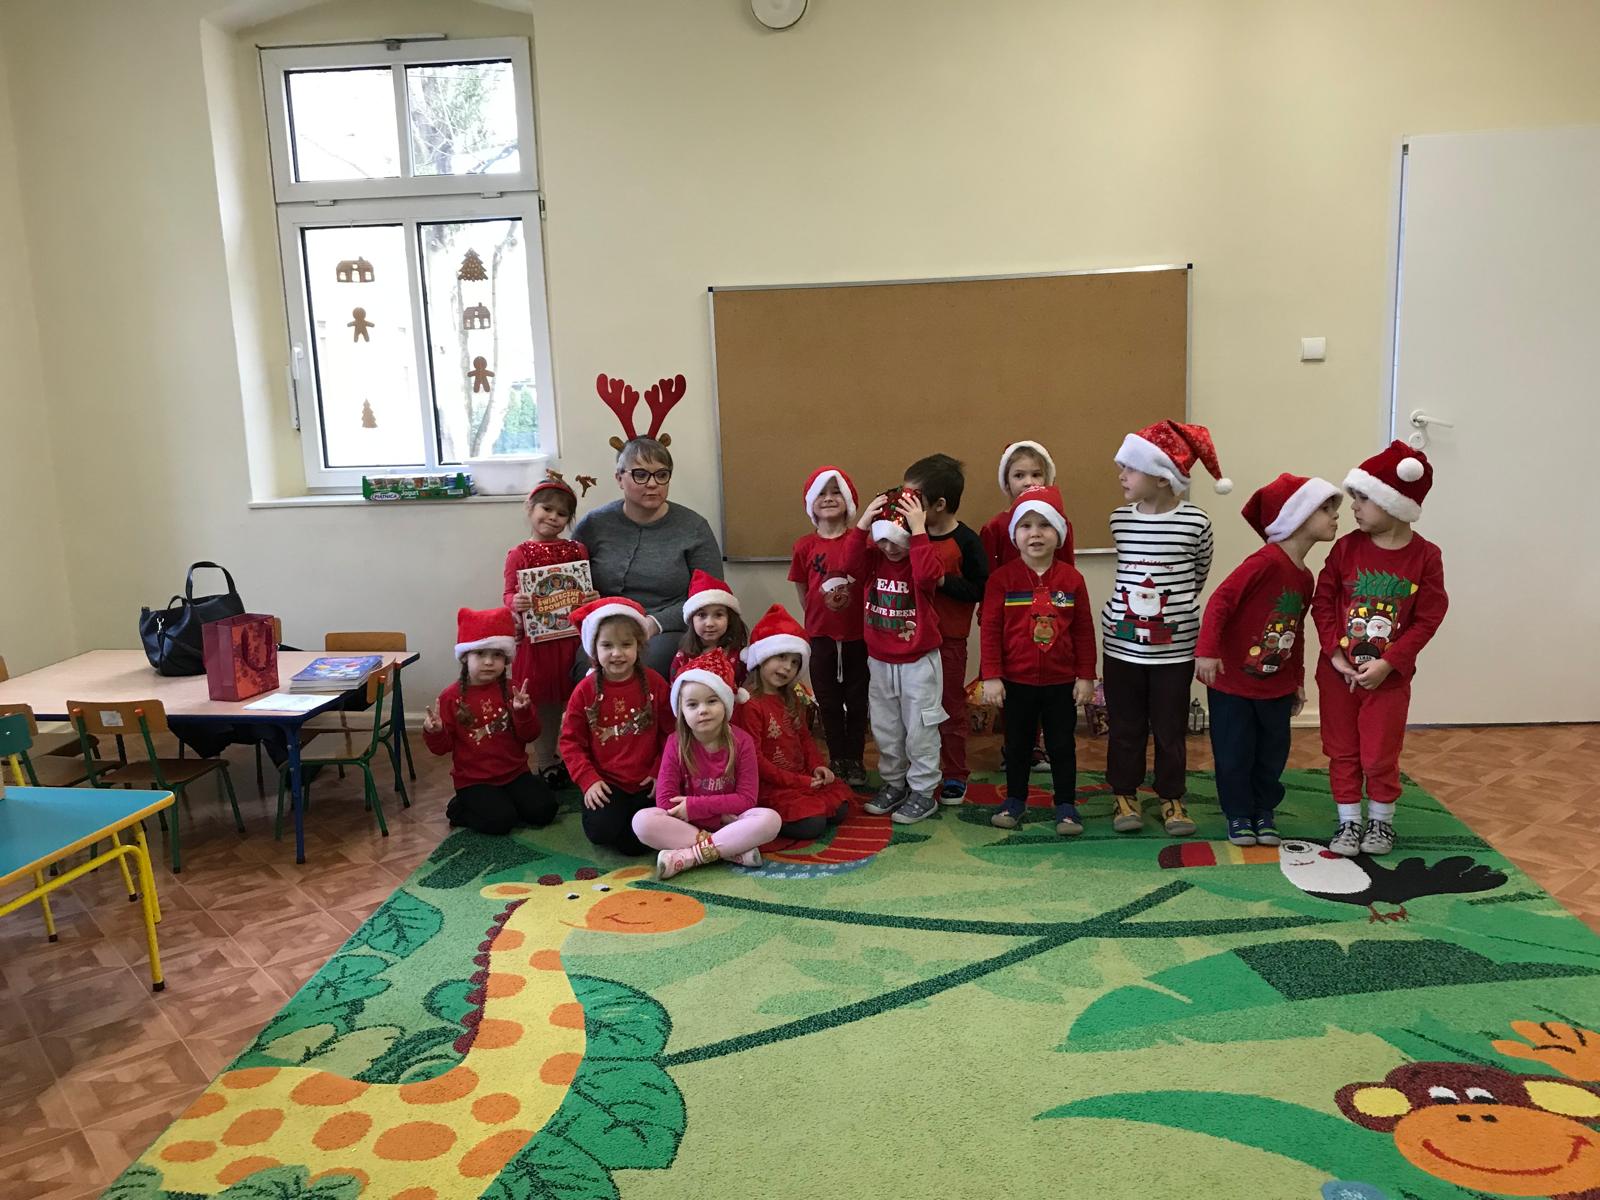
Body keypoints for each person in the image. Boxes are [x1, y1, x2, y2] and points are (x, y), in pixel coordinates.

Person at [1313, 441, 1448, 858]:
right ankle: (1348, 821)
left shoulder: (1426, 557)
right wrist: (1335, 655)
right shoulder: (1346, 548)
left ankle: (1381, 821)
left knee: (1379, 754)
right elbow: (1323, 601)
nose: (1354, 507)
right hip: (1338, 676)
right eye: (1354, 497)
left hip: (1387, 681)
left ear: (1394, 502)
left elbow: (1429, 616)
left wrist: (1390, 663)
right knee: (1342, 750)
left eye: (1364, 498)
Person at [1196, 474, 1341, 847]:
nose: (1335, 516)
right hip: (1233, 683)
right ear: (1298, 515)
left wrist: (1297, 680)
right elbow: (1220, 601)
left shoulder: (1304, 577)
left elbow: (1296, 631)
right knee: (1234, 752)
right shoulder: (1263, 562)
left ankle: (1263, 810)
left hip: (1275, 685)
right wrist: (1207, 651)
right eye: (1326, 508)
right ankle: (1238, 813)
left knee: (1272, 754)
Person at [1101, 420, 1231, 836]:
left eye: (1130, 468)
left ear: (1161, 477)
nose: (1121, 475)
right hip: (1122, 647)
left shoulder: (1196, 522)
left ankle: (1171, 797)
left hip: (1174, 652)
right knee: (1125, 726)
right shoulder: (1120, 521)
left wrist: (1172, 614)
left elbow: (1198, 575)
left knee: (1171, 728)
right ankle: (1124, 794)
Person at [979, 487, 1096, 835]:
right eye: (1026, 526)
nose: (1035, 533)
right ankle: (1015, 800)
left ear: (1058, 533)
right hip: (1016, 682)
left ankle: (1066, 805)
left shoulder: (1072, 580)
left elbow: (1084, 630)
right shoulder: (1001, 580)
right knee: (1017, 745)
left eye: (1044, 525)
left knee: (1062, 745)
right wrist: (992, 676)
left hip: (1062, 682)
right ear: (1014, 534)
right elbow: (990, 631)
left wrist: (1086, 675)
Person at [572, 436, 722, 677]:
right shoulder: (594, 524)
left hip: (667, 629)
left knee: (644, 665)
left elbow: (710, 598)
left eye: (661, 475)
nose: (652, 484)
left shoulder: (693, 527)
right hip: (605, 626)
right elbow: (567, 578)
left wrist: (655, 623)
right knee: (586, 664)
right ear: (619, 478)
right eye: (640, 475)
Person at [634, 649, 781, 880]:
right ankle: (731, 851)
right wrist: (716, 817)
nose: (703, 710)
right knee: (642, 822)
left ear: (725, 704)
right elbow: (665, 801)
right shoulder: (675, 742)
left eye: (712, 701)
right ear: (681, 711)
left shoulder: (742, 742)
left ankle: (689, 857)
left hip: (731, 822)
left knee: (770, 820)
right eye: (692, 705)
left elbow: (746, 799)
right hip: (700, 824)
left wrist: (695, 807)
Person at [846, 488, 945, 825]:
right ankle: (895, 783)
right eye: (883, 540)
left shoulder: (922, 558)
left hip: (918, 661)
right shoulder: (873, 560)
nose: (890, 548)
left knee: (920, 729)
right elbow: (848, 563)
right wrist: (863, 524)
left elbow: (928, 576)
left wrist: (917, 532)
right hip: (880, 660)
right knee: (886, 727)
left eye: (897, 540)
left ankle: (923, 791)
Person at [421, 607, 558, 835]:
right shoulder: (450, 697)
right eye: (480, 654)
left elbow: (531, 735)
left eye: (497, 655)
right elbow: (442, 749)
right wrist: (435, 732)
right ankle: (459, 808)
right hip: (474, 780)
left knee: (545, 810)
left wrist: (523, 712)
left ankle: (502, 802)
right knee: (500, 822)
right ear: (465, 657)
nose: (488, 662)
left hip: (515, 773)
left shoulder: (513, 690)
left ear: (506, 659)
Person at [558, 596, 672, 857]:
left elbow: (671, 733)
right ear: (594, 648)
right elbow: (571, 742)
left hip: (647, 781)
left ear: (639, 646)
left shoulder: (655, 684)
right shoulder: (584, 691)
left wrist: (659, 771)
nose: (617, 653)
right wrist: (588, 780)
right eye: (607, 645)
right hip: (607, 783)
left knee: (635, 845)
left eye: (626, 644)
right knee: (602, 831)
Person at [904, 454, 988, 804]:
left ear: (938, 504)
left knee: (950, 708)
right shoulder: (908, 536)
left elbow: (980, 588)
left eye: (915, 499)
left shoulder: (966, 541)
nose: (907, 506)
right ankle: (916, 770)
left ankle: (954, 773)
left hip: (949, 641)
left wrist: (942, 580)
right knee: (912, 710)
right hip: (911, 639)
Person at [734, 604, 854, 840]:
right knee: (812, 825)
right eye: (781, 657)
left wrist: (818, 767)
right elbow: (754, 760)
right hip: (770, 785)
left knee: (840, 808)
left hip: (799, 777)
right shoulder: (750, 704)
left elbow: (805, 740)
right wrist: (797, 781)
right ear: (762, 656)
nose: (787, 667)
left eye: (795, 662)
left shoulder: (790, 698)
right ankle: (761, 822)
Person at [503, 473, 589, 789]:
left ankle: (581, 759)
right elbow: (508, 594)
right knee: (544, 704)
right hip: (537, 645)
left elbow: (586, 590)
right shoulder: (519, 554)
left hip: (573, 641)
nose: (553, 517)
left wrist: (591, 598)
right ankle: (545, 761)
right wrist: (515, 601)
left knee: (578, 700)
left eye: (562, 513)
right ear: (530, 508)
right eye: (547, 509)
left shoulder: (577, 550)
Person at [788, 466, 869, 787]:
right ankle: (837, 757)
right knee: (829, 701)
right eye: (822, 493)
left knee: (858, 700)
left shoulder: (863, 543)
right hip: (821, 637)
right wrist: (816, 619)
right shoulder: (804, 546)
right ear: (811, 502)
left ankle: (856, 759)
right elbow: (802, 588)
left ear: (849, 500)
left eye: (836, 492)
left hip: (859, 637)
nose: (829, 498)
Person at [669, 570, 749, 684]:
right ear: (691, 619)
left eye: (718, 615)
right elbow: (675, 689)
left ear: (729, 619)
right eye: (702, 615)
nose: (710, 623)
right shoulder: (683, 657)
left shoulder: (739, 656)